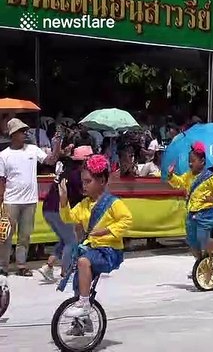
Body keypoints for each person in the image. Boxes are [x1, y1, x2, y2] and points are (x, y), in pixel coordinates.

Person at [58, 154, 133, 318]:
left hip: (109, 252)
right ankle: (82, 321)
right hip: (92, 250)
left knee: (83, 262)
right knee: (79, 283)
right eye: (83, 181)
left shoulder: (113, 203)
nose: (84, 186)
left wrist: (107, 231)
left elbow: (127, 219)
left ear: (102, 181)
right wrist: (64, 201)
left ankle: (85, 305)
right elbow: (68, 218)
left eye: (88, 181)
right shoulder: (84, 204)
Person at [0, 118, 61, 277]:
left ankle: (21, 265)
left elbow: (50, 160)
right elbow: (1, 180)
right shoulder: (4, 155)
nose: (25, 133)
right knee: (6, 236)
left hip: (30, 201)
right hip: (10, 201)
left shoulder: (33, 150)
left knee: (24, 236)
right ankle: (3, 267)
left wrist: (57, 145)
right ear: (13, 134)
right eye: (21, 131)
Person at [167, 142, 213, 277]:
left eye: (193, 161)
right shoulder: (188, 175)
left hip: (206, 214)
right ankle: (200, 263)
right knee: (192, 242)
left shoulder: (210, 177)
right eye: (189, 161)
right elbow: (179, 183)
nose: (190, 164)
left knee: (204, 239)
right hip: (192, 213)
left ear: (202, 161)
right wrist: (171, 176)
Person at [37, 146, 90, 281]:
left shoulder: (67, 171)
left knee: (65, 239)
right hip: (57, 210)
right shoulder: (76, 175)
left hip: (48, 208)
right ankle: (65, 273)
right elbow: (82, 195)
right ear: (85, 160)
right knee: (71, 241)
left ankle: (48, 266)